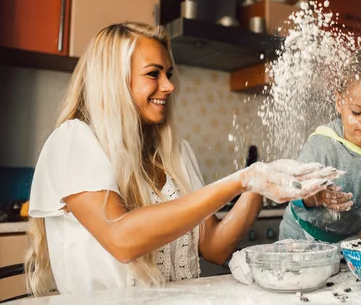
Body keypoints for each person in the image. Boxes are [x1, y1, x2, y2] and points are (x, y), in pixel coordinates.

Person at [24, 22, 342, 296]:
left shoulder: (175, 152)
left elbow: (215, 248)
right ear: (113, 80)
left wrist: (261, 184)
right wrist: (241, 179)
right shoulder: (74, 141)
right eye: (154, 74)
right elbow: (121, 238)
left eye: (169, 73)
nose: (169, 85)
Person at [278, 43, 361, 243]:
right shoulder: (322, 143)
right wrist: (316, 196)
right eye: (357, 112)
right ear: (339, 102)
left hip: (345, 242)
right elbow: (294, 191)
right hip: (299, 237)